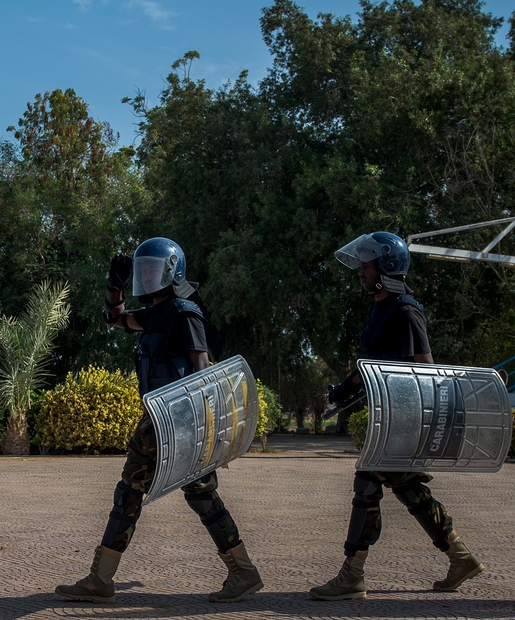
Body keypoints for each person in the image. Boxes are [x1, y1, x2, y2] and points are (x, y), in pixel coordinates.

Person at [55, 237, 263, 604]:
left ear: (172, 272)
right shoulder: (156, 313)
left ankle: (242, 571)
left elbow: (202, 372)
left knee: (190, 495)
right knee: (140, 492)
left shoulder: (185, 312)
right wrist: (113, 285)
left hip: (180, 420)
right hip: (157, 420)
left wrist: (199, 428)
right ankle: (102, 578)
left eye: (153, 269)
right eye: (143, 269)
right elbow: (114, 319)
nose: (147, 275)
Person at [309, 231, 483, 600]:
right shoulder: (381, 308)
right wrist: (346, 388)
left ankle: (352, 573)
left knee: (366, 484)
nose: (360, 270)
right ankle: (460, 557)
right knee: (408, 488)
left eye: (366, 263)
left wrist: (422, 418)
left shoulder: (405, 310)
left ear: (386, 265)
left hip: (405, 417)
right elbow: (375, 363)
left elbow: (424, 365)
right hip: (390, 414)